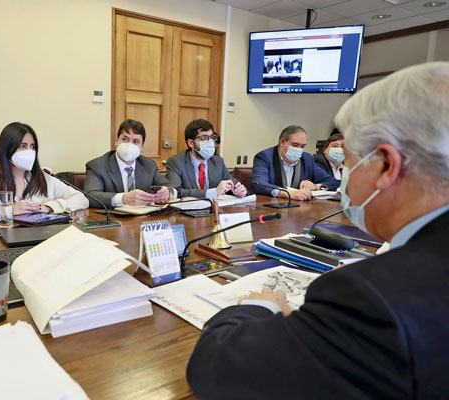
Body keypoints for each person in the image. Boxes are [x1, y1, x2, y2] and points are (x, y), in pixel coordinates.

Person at [187, 62, 449, 399]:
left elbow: (219, 369)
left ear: (386, 165)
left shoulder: (367, 294)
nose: (346, 176)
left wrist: (260, 306)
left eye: (352, 160)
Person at [0, 122, 88, 219]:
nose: (29, 151)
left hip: (41, 240)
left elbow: (81, 199)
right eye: (23, 146)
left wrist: (49, 207)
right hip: (3, 241)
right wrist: (7, 211)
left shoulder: (44, 175)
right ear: (7, 149)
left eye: (33, 146)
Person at [84, 119, 174, 209]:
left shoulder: (149, 165)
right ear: (116, 141)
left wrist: (167, 192)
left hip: (145, 217)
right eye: (125, 139)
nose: (129, 145)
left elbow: (168, 186)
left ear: (142, 147)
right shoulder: (97, 165)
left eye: (135, 141)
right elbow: (90, 196)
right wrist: (123, 198)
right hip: (114, 218)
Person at [251, 125, 339, 200]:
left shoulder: (307, 159)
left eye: (302, 146)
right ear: (282, 142)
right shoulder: (265, 157)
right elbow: (259, 184)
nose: (299, 149)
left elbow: (334, 182)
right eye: (295, 145)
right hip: (271, 208)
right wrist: (286, 193)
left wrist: (316, 186)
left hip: (300, 210)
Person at [166, 119, 246, 199]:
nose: (210, 142)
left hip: (215, 209)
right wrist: (212, 193)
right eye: (204, 138)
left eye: (212, 137)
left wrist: (239, 191)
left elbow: (232, 183)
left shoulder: (218, 161)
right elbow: (174, 192)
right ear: (191, 143)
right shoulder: (176, 162)